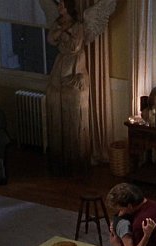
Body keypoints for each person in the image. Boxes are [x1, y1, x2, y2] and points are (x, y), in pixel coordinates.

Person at [45, 0, 116, 174]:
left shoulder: (79, 26)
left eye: (62, 5)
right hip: (60, 66)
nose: (59, 7)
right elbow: (50, 39)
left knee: (75, 115)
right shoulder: (58, 23)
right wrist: (61, 31)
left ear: (68, 7)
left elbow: (74, 46)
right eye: (58, 5)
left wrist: (63, 33)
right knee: (57, 110)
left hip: (74, 66)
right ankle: (59, 158)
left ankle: (76, 159)